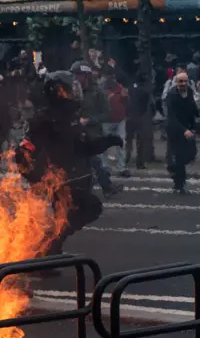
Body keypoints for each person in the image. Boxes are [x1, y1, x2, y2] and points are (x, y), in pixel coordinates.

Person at [15, 71, 123, 256]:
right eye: (69, 90)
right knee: (86, 209)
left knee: (67, 218)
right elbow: (23, 152)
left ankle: (48, 252)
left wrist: (107, 141)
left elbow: (83, 145)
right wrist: (37, 177)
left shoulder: (71, 116)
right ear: (57, 92)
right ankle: (45, 251)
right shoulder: (42, 120)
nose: (74, 94)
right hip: (59, 181)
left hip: (77, 177)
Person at [71, 61, 123, 198]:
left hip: (92, 134)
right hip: (74, 132)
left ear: (86, 76)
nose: (76, 78)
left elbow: (106, 114)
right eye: (75, 75)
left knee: (94, 160)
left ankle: (105, 187)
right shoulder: (71, 91)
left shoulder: (97, 92)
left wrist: (89, 120)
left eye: (79, 75)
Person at [166, 72, 199, 194]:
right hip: (176, 130)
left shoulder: (189, 91)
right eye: (181, 81)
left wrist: (199, 115)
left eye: (185, 81)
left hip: (188, 129)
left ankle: (175, 172)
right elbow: (172, 117)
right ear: (176, 83)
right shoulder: (172, 95)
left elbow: (192, 106)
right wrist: (184, 130)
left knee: (191, 154)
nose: (183, 84)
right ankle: (179, 184)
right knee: (179, 158)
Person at [99, 65, 130, 177]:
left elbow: (126, 101)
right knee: (104, 146)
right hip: (106, 120)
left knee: (121, 143)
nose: (110, 79)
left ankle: (121, 167)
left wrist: (124, 97)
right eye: (108, 76)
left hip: (119, 119)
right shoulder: (100, 88)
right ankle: (105, 167)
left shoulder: (119, 87)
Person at [126, 72, 153, 170]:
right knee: (140, 141)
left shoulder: (129, 88)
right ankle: (139, 162)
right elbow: (146, 106)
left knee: (128, 139)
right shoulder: (145, 91)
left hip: (129, 116)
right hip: (140, 117)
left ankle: (126, 158)